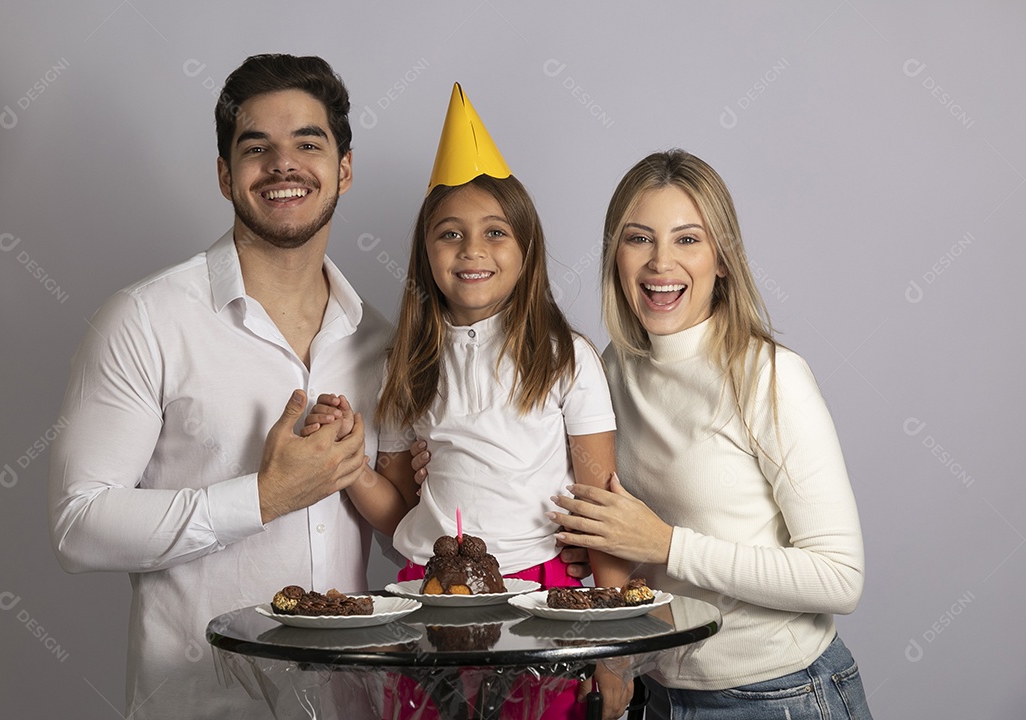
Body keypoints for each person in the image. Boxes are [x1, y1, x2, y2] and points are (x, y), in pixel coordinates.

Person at [48, 54, 402, 719]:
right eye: (256, 147)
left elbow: (409, 534)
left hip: (355, 705)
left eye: (308, 143)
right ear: (224, 174)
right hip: (202, 705)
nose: (283, 164)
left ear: (344, 170)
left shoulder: (384, 346)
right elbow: (78, 525)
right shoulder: (145, 320)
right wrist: (261, 499)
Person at [307, 84, 633, 720]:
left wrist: (613, 651)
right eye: (450, 234)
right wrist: (349, 468)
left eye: (495, 232)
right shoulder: (406, 364)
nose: (472, 250)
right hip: (429, 597)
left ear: (526, 249)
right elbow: (399, 508)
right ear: (426, 254)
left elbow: (602, 514)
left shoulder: (568, 358)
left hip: (542, 595)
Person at [549, 149, 874, 719]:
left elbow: (839, 578)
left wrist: (665, 545)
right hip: (661, 696)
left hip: (779, 696)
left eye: (687, 239)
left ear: (722, 259)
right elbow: (609, 523)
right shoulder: (610, 370)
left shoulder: (769, 377)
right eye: (639, 238)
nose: (660, 263)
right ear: (614, 255)